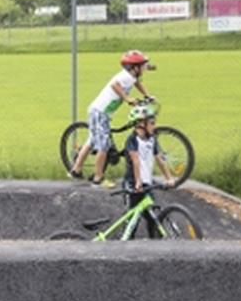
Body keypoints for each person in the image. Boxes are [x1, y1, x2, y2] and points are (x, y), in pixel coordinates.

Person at [68, 50, 155, 186]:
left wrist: (147, 95)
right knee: (104, 146)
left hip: (99, 111)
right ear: (134, 67)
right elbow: (114, 85)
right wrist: (127, 98)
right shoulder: (125, 76)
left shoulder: (131, 76)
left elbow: (137, 82)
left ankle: (76, 170)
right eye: (142, 65)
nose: (144, 68)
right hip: (100, 112)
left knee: (92, 141)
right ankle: (98, 178)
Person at [122, 103, 176, 238]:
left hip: (147, 183)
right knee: (132, 221)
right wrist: (138, 182)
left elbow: (159, 159)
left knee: (152, 218)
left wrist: (169, 178)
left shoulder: (152, 139)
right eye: (151, 123)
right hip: (133, 183)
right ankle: (125, 243)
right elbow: (136, 161)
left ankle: (154, 244)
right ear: (141, 124)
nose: (154, 126)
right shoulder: (132, 140)